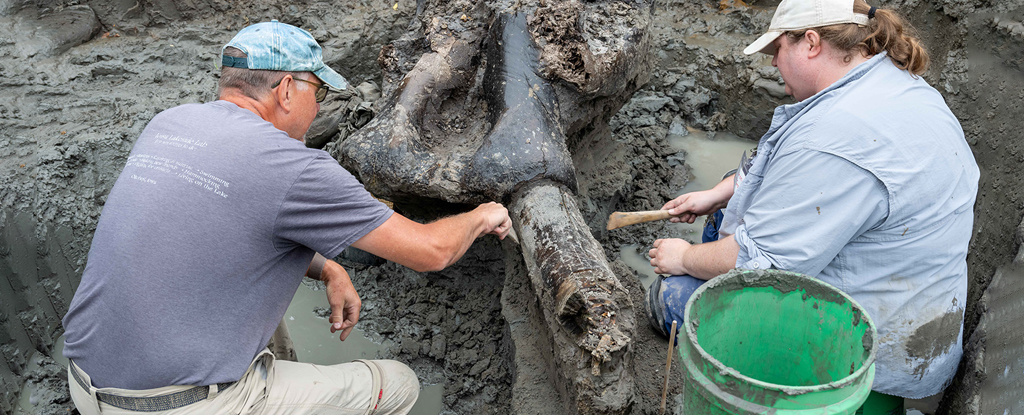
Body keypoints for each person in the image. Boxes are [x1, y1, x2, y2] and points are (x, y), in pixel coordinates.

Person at [61, 20, 512, 415]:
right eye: (317, 92)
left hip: (86, 383)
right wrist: (480, 215)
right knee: (398, 385)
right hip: (180, 406)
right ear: (285, 90)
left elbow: (221, 231)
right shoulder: (295, 169)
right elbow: (431, 252)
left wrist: (329, 267)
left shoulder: (169, 123)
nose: (318, 108)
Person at [644, 0, 978, 410]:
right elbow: (797, 172)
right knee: (720, 218)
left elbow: (762, 263)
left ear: (812, 43)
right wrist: (722, 191)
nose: (773, 66)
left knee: (671, 294)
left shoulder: (837, 136)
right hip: (911, 316)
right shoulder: (892, 86)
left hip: (857, 360)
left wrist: (685, 256)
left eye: (777, 51)